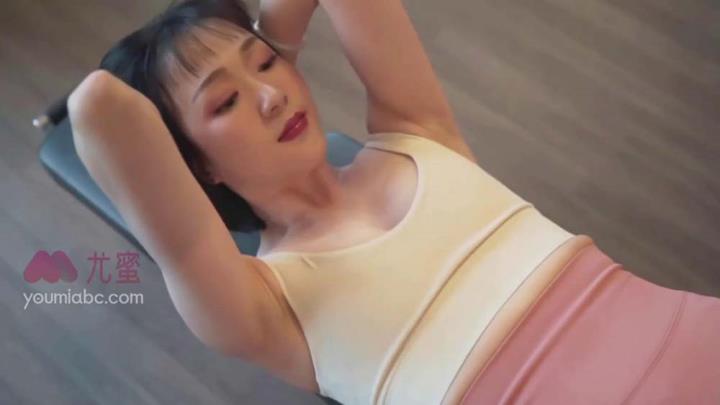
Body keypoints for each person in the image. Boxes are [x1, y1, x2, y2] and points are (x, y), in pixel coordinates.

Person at [67, 0, 720, 404]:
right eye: (225, 101)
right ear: (196, 166)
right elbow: (97, 109)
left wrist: (269, 43)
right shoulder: (260, 307)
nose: (271, 95)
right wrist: (249, 51)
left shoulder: (417, 132)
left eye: (265, 66)